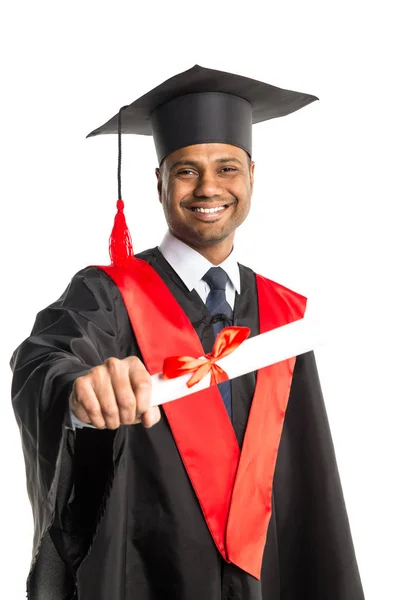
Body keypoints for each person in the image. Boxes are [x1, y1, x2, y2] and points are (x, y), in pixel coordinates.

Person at [10, 65, 365, 600]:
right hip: (149, 569)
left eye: (227, 168)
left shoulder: (283, 314)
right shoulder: (108, 294)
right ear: (159, 183)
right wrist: (82, 389)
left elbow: (303, 476)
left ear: (250, 175)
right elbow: (47, 357)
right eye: (185, 171)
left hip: (267, 577)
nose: (209, 188)